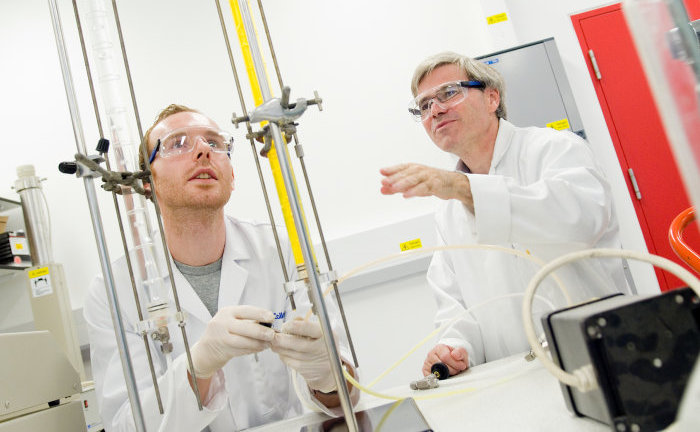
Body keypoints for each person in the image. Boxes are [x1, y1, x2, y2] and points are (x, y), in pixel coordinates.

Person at [84, 104, 358, 431]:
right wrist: (196, 368)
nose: (203, 151)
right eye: (177, 144)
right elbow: (124, 426)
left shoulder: (284, 249)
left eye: (215, 143)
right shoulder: (113, 291)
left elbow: (345, 395)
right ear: (147, 184)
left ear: (232, 176)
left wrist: (326, 376)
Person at [380, 52, 631, 378]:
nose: (436, 110)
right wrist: (456, 347)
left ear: (491, 97)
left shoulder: (554, 149)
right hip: (515, 376)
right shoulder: (447, 206)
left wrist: (466, 189)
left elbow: (580, 220)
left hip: (599, 359)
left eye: (448, 93)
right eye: (424, 105)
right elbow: (454, 303)